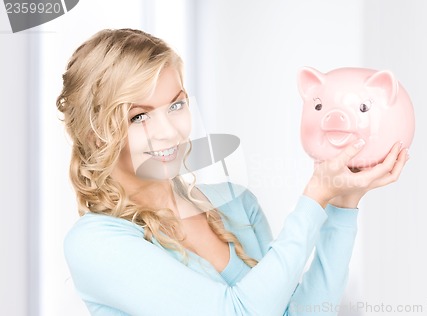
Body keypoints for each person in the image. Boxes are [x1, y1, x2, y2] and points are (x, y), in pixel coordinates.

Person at [58, 28, 409, 316]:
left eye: (176, 105)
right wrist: (315, 195)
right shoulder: (96, 244)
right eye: (139, 116)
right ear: (95, 132)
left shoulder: (235, 203)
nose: (168, 131)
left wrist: (342, 203)